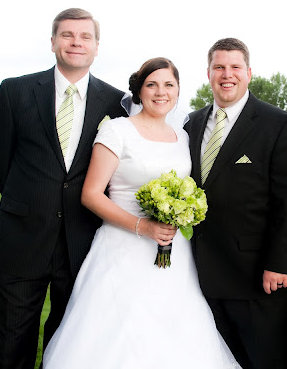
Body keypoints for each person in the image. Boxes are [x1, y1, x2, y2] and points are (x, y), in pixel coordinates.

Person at [43, 57, 240, 369]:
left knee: (174, 330)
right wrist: (142, 226)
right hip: (122, 249)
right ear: (139, 91)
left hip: (174, 255)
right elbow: (91, 194)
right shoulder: (116, 131)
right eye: (152, 85)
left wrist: (182, 211)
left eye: (169, 85)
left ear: (178, 90)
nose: (161, 92)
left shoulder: (182, 137)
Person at [0, 8, 128, 368]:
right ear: (53, 42)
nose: (76, 42)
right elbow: (1, 161)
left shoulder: (117, 103)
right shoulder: (15, 91)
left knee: (68, 343)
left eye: (85, 37)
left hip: (82, 240)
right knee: (13, 339)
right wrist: (30, 203)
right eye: (67, 35)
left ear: (96, 46)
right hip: (23, 237)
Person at [184, 38, 287, 369]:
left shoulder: (279, 124)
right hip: (199, 272)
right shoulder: (191, 123)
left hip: (255, 275)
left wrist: (280, 263)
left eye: (235, 67)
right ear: (208, 73)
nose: (227, 74)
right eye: (219, 67)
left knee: (261, 359)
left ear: (249, 73)